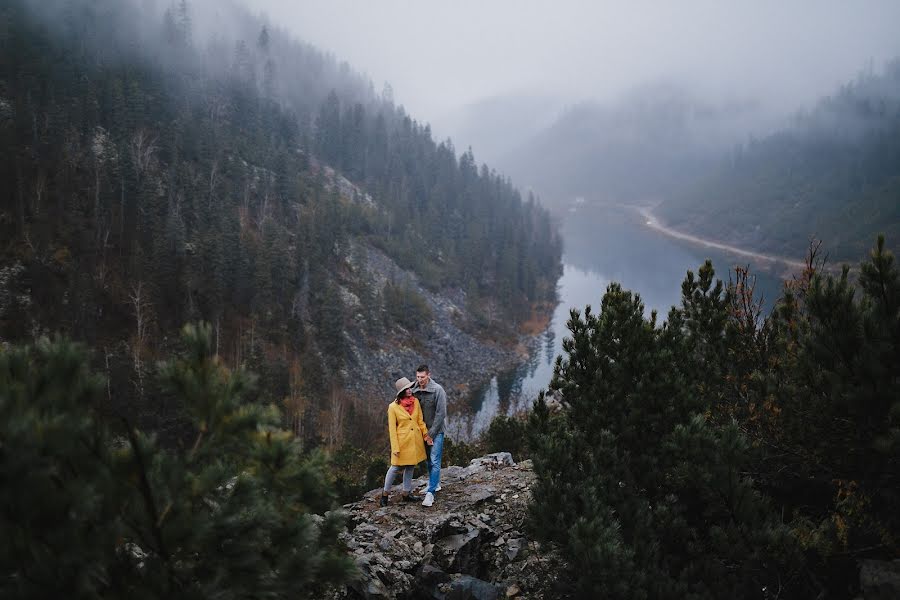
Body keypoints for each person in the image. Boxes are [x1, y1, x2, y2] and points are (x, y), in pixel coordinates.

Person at [380, 377, 432, 507]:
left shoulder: (415, 402)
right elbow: (392, 430)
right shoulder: (393, 407)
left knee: (410, 467)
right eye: (406, 389)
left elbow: (420, 421)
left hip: (415, 441)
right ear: (401, 392)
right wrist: (395, 448)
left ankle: (406, 493)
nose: (409, 390)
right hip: (402, 443)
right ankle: (385, 494)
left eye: (410, 388)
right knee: (394, 468)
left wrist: (426, 435)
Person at [411, 364, 447, 507]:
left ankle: (431, 493)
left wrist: (430, 434)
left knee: (435, 460)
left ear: (429, 375)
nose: (420, 380)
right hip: (422, 432)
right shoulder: (414, 389)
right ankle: (435, 484)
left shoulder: (438, 390)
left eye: (423, 377)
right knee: (428, 461)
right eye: (418, 377)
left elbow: (441, 414)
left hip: (436, 432)